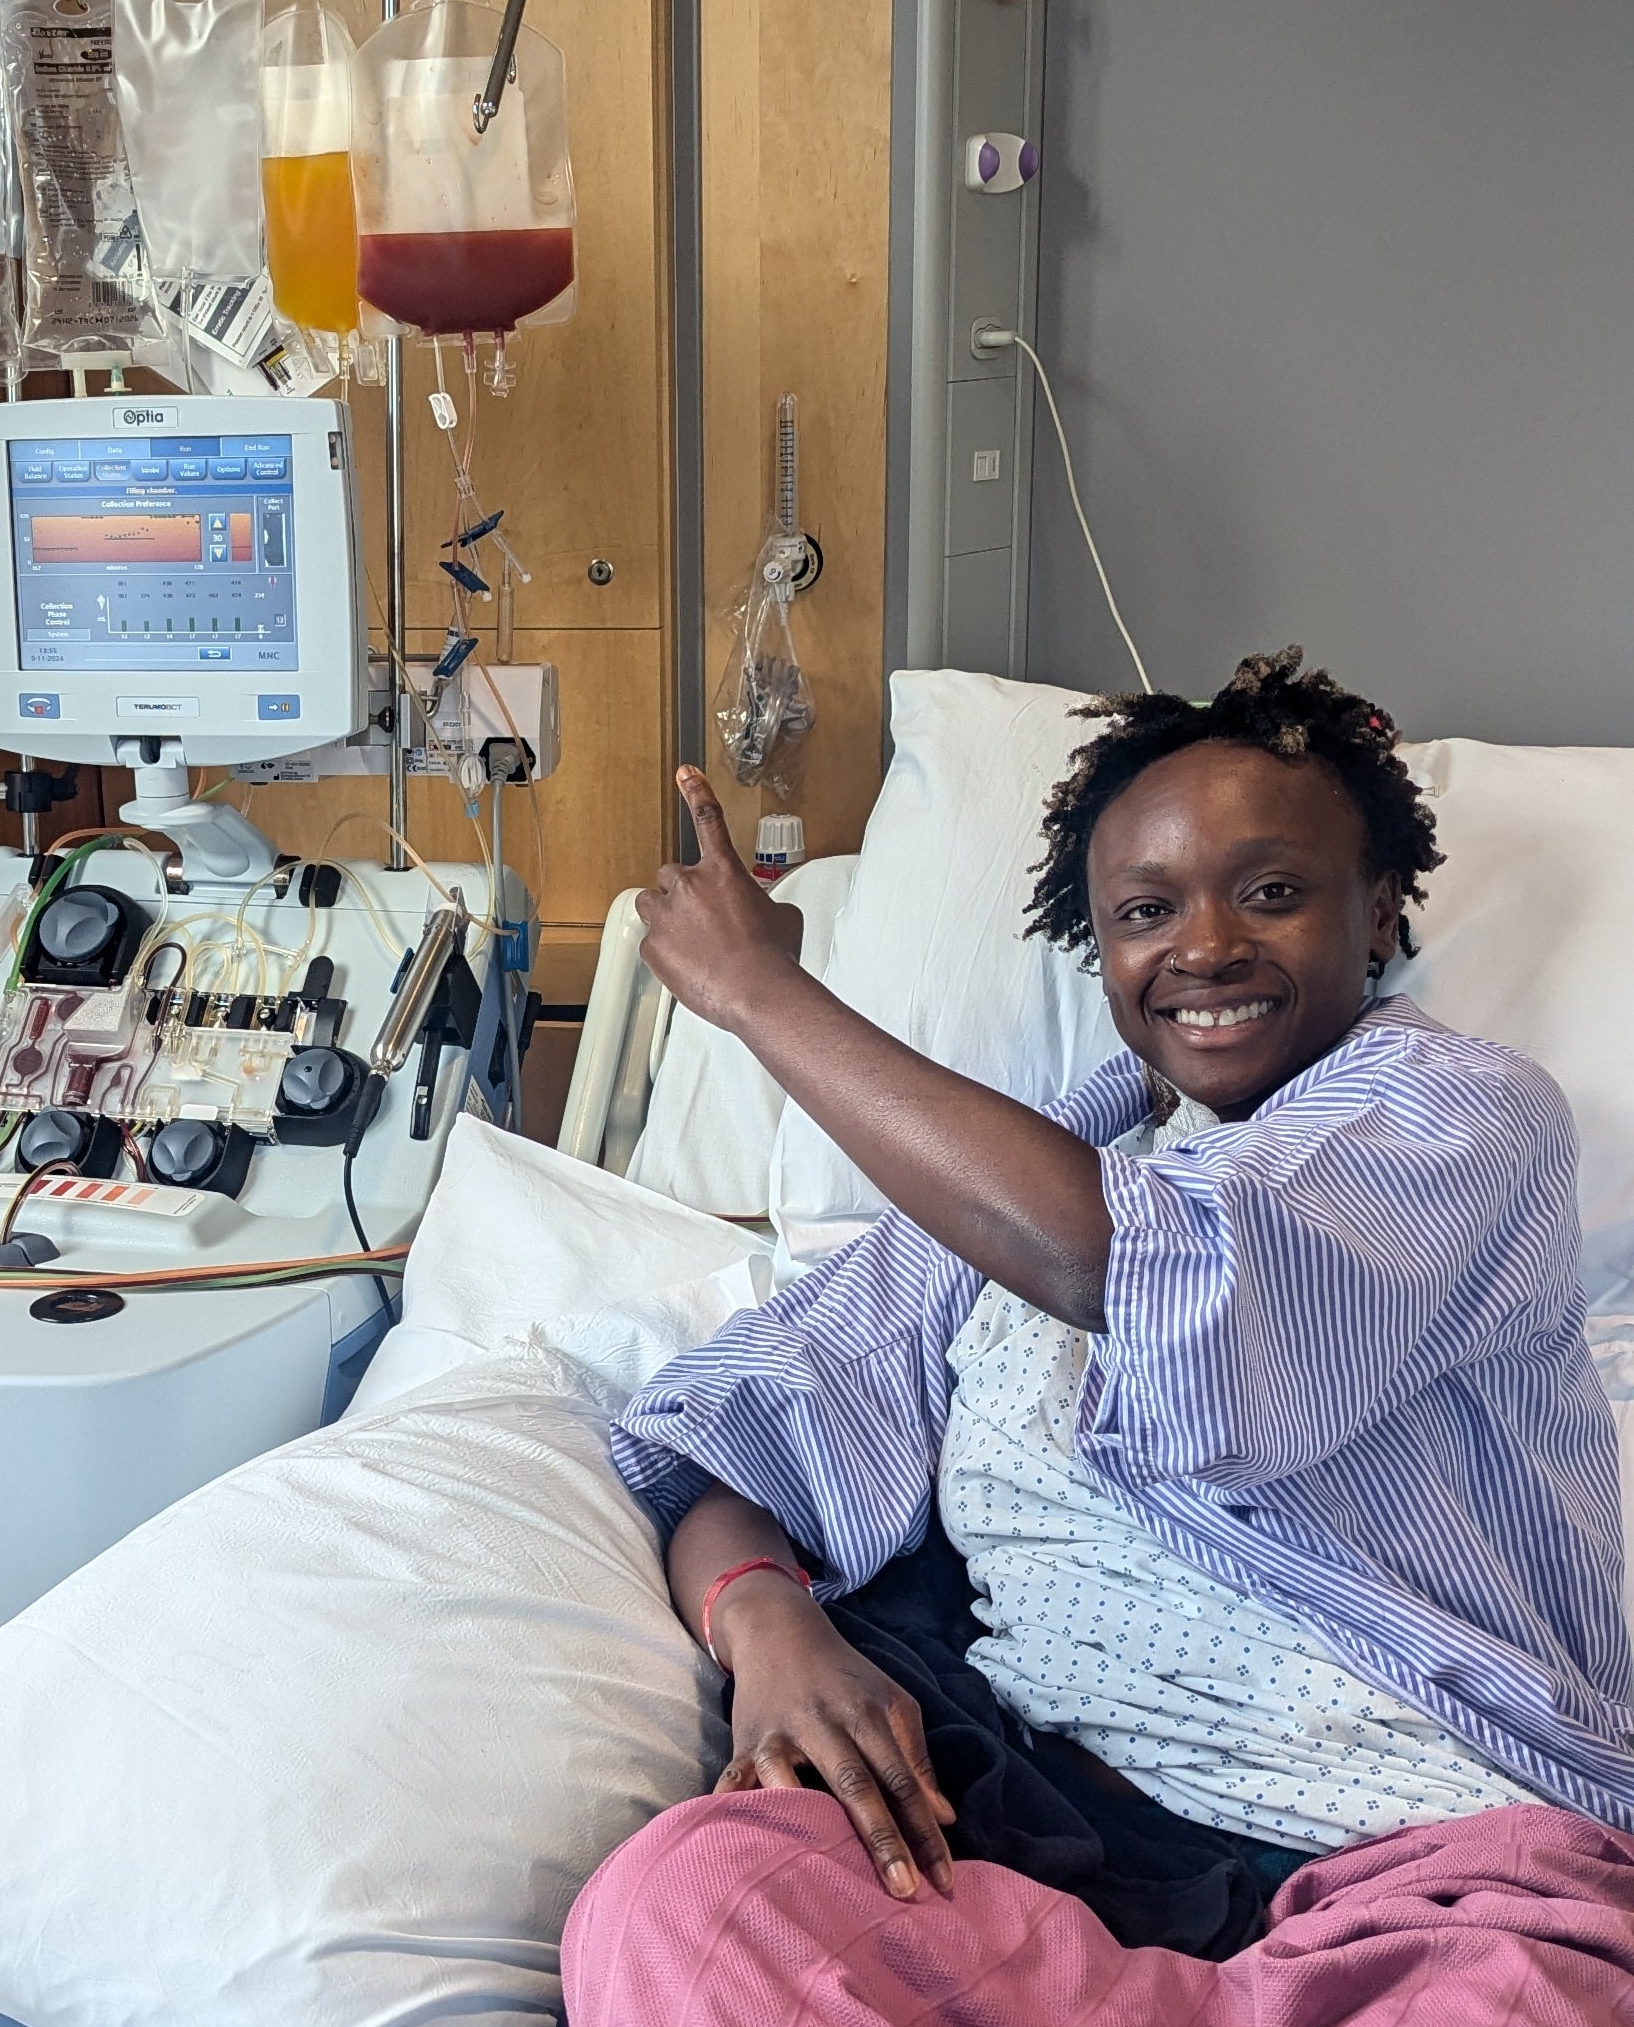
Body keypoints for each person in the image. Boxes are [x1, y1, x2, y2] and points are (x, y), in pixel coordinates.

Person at [615, 651, 1634, 1955]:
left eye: (1272, 894)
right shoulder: (1019, 1187)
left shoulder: (1458, 1118)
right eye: (1146, 912)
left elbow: (1147, 1278)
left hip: (1399, 1847)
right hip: (1028, 1824)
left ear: (1378, 916)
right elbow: (742, 1441)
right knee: (689, 1909)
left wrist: (764, 998)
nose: (1206, 947)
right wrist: (772, 1625)